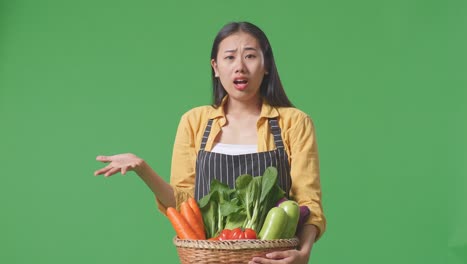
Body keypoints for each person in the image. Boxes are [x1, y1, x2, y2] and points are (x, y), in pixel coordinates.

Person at [94, 21, 325, 264]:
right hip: (208, 258)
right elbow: (183, 203)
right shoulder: (194, 122)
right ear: (215, 67)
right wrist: (142, 169)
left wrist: (303, 253)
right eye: (229, 57)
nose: (240, 67)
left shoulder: (294, 123)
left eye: (250, 56)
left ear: (266, 65)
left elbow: (309, 203)